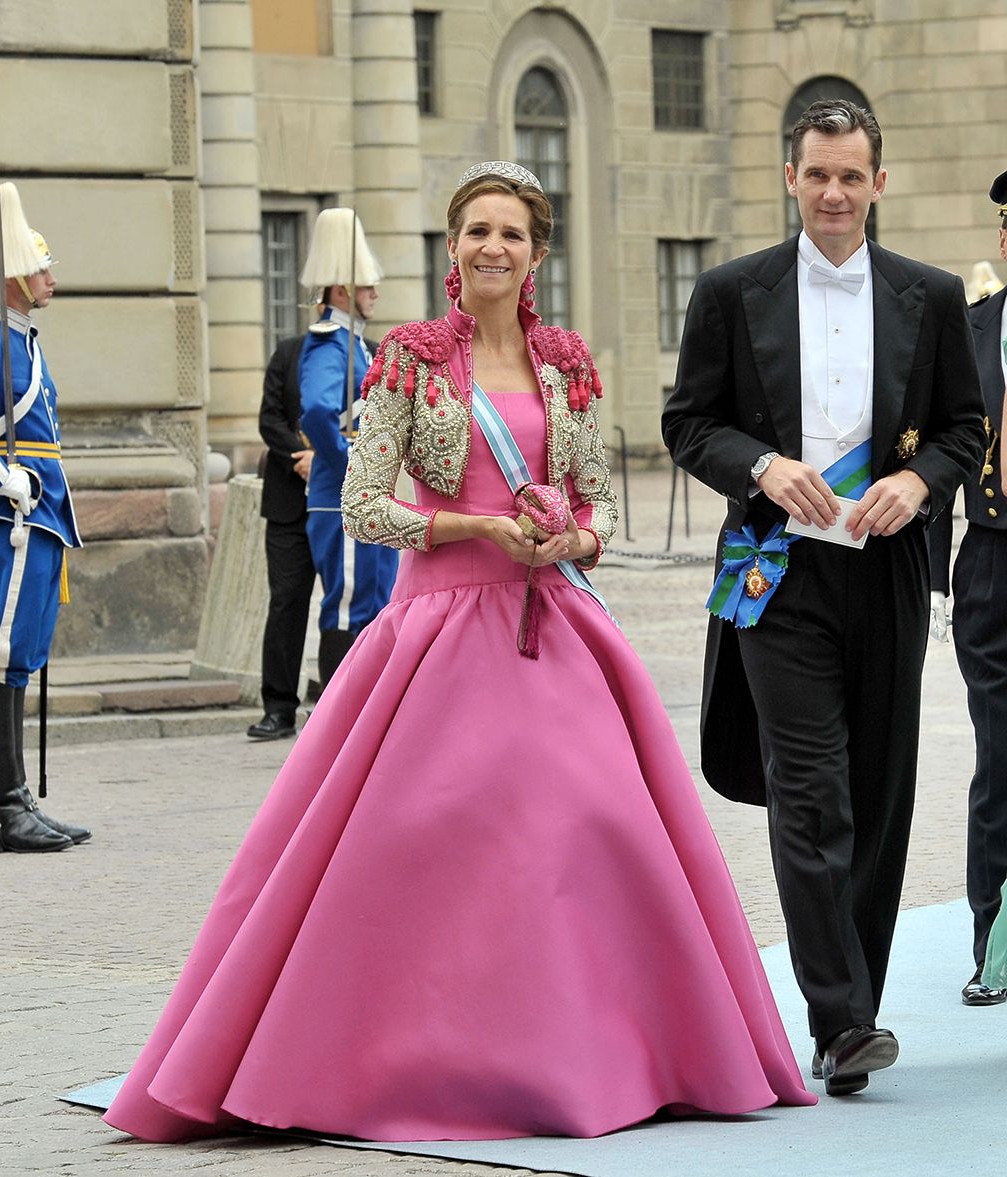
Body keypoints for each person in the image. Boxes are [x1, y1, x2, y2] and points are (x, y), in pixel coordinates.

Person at [103, 161, 814, 1144]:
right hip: (437, 634)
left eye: (512, 234)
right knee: (418, 850)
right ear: (453, 245)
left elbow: (597, 500)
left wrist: (574, 538)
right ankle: (396, 1056)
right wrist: (474, 529)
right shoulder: (407, 357)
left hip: (556, 627)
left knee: (589, 832)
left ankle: (607, 1053)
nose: (493, 247)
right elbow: (361, 504)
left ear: (536, 252)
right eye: (477, 230)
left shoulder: (566, 362)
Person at [663, 99, 985, 1097]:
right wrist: (758, 464)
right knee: (810, 792)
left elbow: (962, 427)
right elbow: (688, 423)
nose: (835, 193)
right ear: (790, 178)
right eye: (817, 175)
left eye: (852, 177)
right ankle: (840, 1021)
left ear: (877, 183)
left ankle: (858, 1002)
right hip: (773, 574)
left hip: (884, 572)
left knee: (879, 793)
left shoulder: (929, 297)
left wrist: (918, 480)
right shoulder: (730, 293)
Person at [0, 181, 89, 853]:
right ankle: (4, 807)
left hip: (39, 514)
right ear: (13, 277)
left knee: (18, 659)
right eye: (40, 266)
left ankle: (17, 797)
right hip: (9, 515)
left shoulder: (23, 340)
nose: (51, 276)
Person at [929, 168, 1007, 1004]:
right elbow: (942, 452)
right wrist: (928, 584)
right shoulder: (974, 329)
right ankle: (993, 944)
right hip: (992, 562)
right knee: (1001, 754)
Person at [298, 209, 398, 691]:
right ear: (341, 291)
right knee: (348, 601)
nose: (375, 293)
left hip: (360, 494)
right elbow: (317, 411)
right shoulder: (330, 344)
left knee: (375, 597)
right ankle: (336, 706)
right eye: (366, 286)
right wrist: (349, 463)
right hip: (341, 493)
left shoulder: (355, 344)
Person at [245, 332, 316, 741]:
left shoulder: (370, 352)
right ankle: (279, 707)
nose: (373, 295)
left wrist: (327, 457)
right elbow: (269, 418)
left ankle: (339, 704)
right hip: (289, 499)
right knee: (287, 599)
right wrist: (300, 457)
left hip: (343, 500)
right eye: (366, 288)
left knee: (345, 606)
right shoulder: (290, 352)